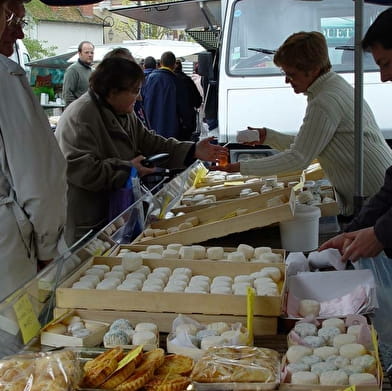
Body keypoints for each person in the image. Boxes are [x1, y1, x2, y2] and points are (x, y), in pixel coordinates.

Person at [218, 31, 392, 217]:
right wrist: (268, 136)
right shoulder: (331, 86)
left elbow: (299, 157)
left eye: (291, 74)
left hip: (374, 195)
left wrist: (240, 168)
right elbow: (312, 141)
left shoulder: (325, 100)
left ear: (314, 69)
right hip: (378, 187)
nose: (287, 80)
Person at [55, 57, 227, 245]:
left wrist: (193, 150)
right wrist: (127, 168)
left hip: (117, 214)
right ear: (113, 91)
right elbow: (80, 169)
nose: (139, 97)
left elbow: (151, 142)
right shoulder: (81, 116)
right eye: (135, 91)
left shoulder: (121, 111)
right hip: (90, 219)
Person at [0, 0, 67, 301]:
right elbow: (41, 181)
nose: (19, 34)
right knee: (15, 342)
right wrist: (48, 247)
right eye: (12, 18)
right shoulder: (5, 77)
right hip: (7, 254)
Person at [319, 7, 392, 262]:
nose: (384, 77)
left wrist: (381, 234)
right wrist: (353, 232)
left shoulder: (326, 98)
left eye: (387, 64)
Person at [142, 51, 186, 139]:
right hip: (170, 131)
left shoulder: (149, 79)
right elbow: (183, 107)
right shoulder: (177, 82)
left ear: (160, 64)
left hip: (150, 128)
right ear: (174, 65)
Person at [174, 59, 202, 141]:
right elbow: (198, 101)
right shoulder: (187, 81)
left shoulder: (165, 81)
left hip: (169, 122)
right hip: (186, 122)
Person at [62, 40, 94, 106]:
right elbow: (67, 95)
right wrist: (77, 110)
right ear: (79, 54)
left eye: (92, 52)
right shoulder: (73, 70)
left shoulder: (93, 71)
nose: (90, 55)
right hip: (78, 112)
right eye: (87, 52)